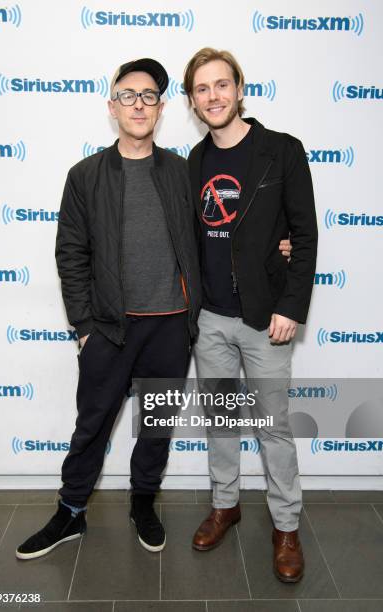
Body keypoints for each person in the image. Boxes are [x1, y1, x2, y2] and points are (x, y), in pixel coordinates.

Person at [15, 58, 202, 559]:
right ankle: (70, 512)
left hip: (169, 327)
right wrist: (83, 326)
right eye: (128, 95)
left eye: (148, 96)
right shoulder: (85, 175)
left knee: (156, 427)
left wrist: (279, 249)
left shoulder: (183, 173)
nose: (138, 104)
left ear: (161, 109)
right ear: (111, 106)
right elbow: (71, 253)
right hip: (108, 329)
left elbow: (216, 237)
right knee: (92, 424)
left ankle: (143, 502)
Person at [183, 48, 317, 582]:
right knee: (219, 422)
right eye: (202, 89)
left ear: (240, 89)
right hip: (209, 319)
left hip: (265, 318)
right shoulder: (191, 162)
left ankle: (286, 526)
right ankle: (226, 504)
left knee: (273, 428)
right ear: (193, 101)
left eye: (221, 85)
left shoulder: (282, 151)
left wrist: (291, 305)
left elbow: (303, 236)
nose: (213, 96)